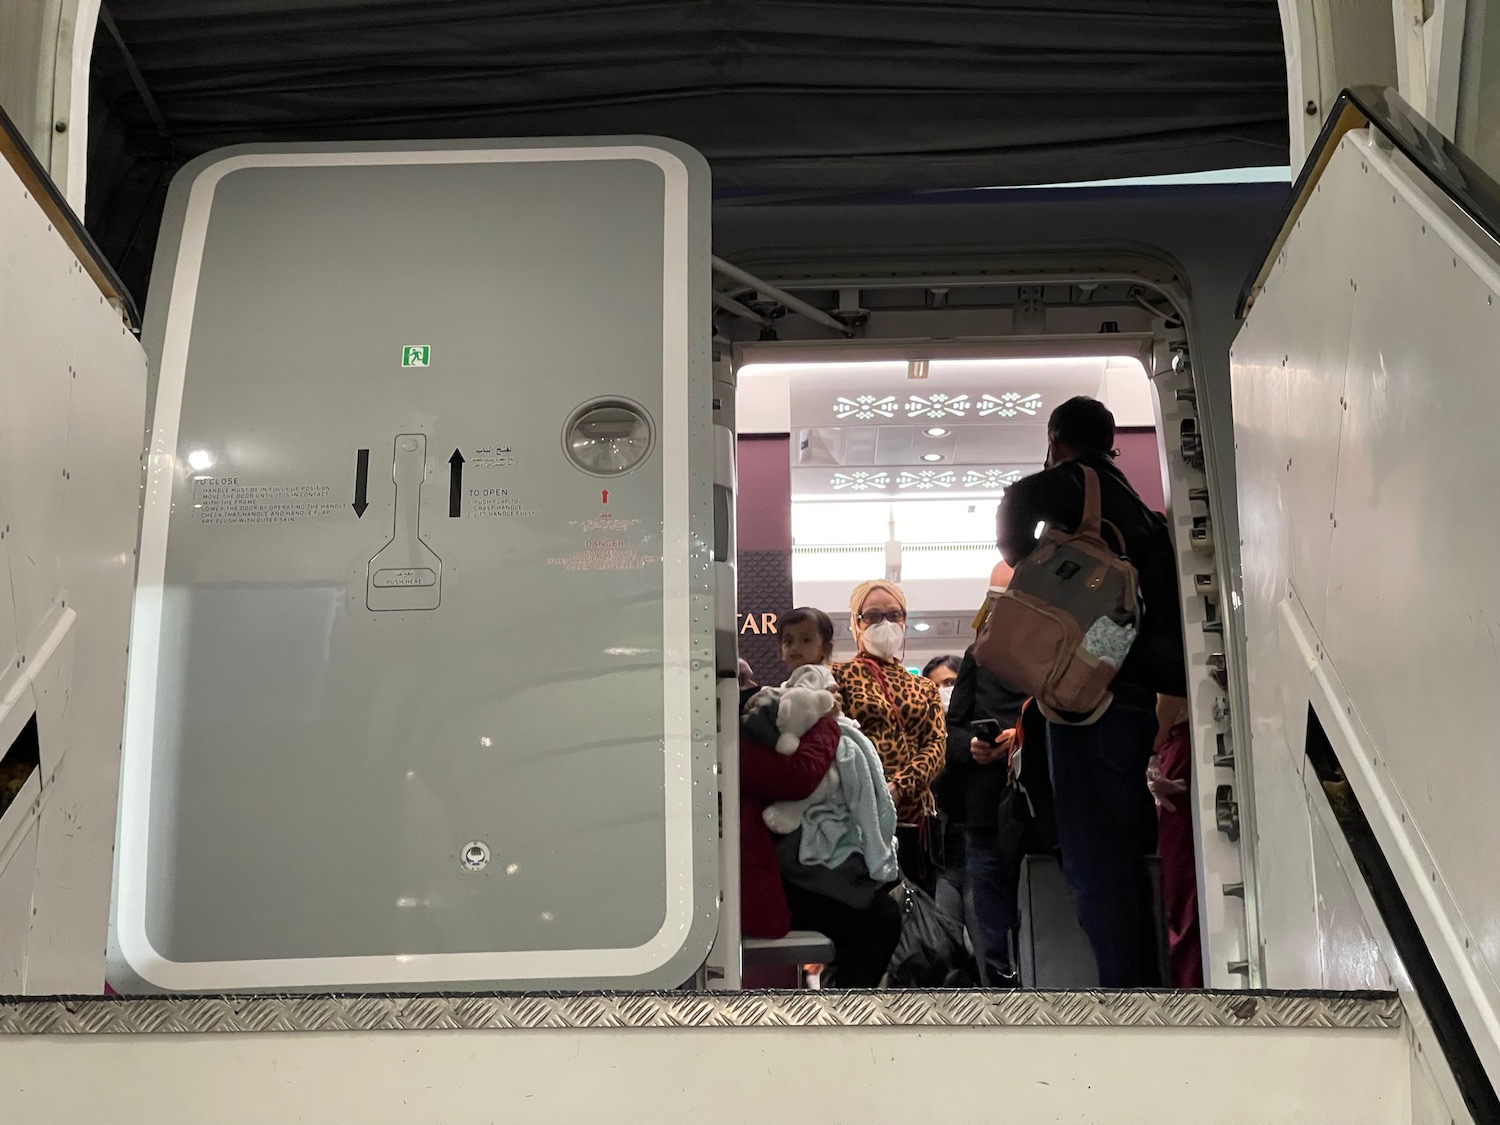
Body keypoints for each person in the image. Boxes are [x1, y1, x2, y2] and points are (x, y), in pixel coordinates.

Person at [996, 395, 1186, 988]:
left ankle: (1122, 986)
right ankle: (1141, 976)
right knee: (1123, 844)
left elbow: (1015, 504)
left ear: (1057, 440)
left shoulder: (1073, 482)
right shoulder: (1144, 515)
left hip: (1084, 703)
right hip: (1128, 698)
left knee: (1090, 851)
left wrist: (1028, 559)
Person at [738, 636, 903, 988]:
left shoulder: (745, 734)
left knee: (878, 908)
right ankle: (846, 1018)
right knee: (881, 916)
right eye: (742, 680)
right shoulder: (738, 740)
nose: (753, 687)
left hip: (765, 873)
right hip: (756, 883)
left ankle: (840, 1006)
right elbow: (796, 778)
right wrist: (827, 718)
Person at [834, 580, 947, 896]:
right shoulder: (838, 675)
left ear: (904, 620)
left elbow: (936, 746)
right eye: (872, 615)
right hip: (858, 818)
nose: (884, 623)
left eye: (893, 614)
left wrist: (900, 786)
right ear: (857, 622)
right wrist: (875, 793)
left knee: (919, 916)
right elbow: (837, 740)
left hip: (914, 818)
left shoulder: (924, 688)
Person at [936, 642, 1028, 986]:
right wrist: (972, 744)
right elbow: (952, 730)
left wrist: (1020, 736)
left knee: (1043, 921)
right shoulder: (980, 654)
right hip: (985, 814)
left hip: (1038, 815)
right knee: (991, 937)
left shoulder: (1053, 643)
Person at [1147, 694, 1202, 988]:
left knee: (1179, 887)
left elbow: (1170, 690)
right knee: (1179, 885)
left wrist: (1150, 748)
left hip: (1175, 742)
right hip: (1174, 741)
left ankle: (1188, 986)